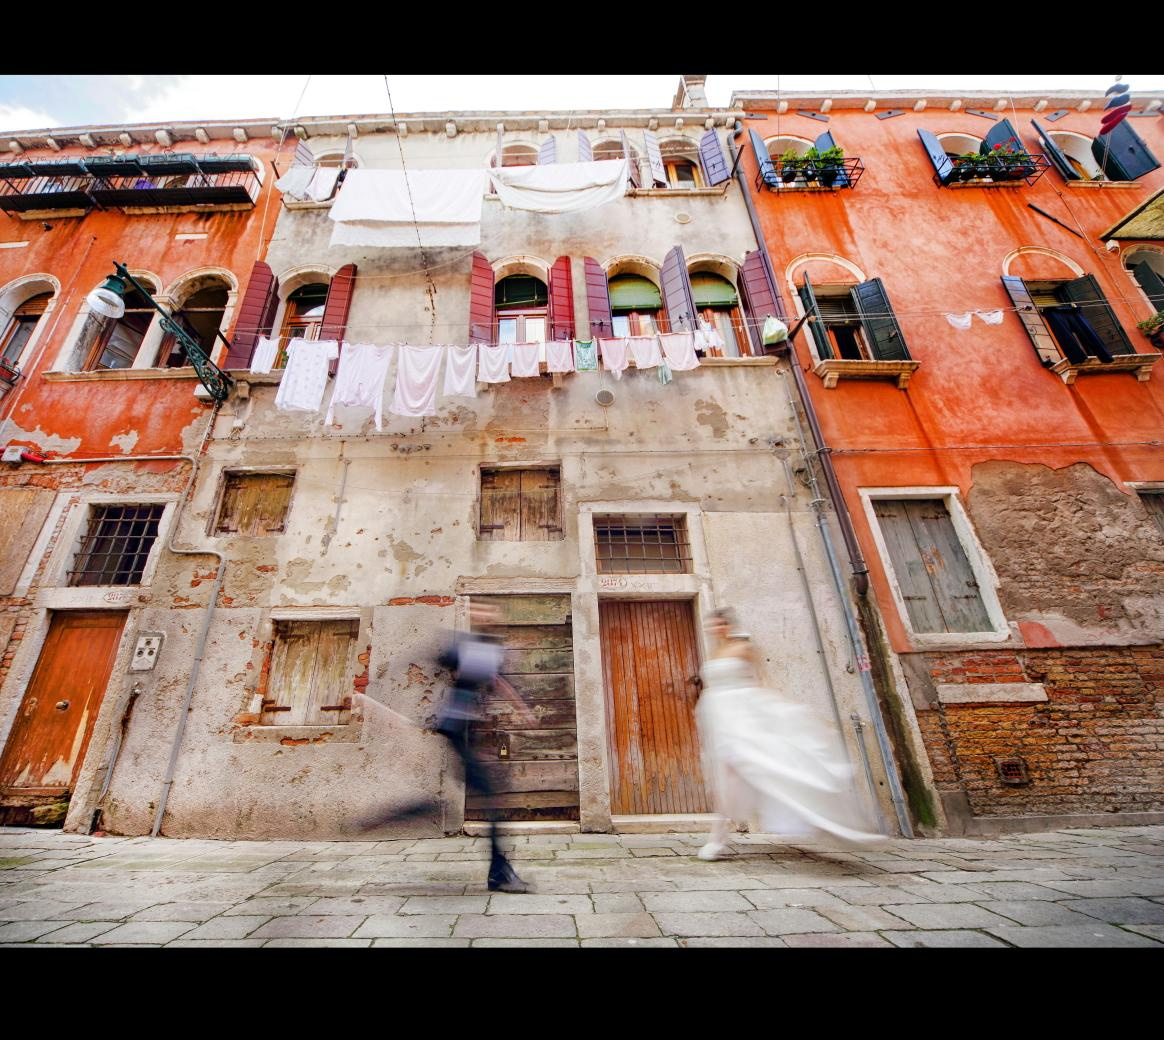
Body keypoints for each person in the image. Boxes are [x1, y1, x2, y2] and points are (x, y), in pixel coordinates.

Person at [694, 607, 882, 861]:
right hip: (722, 718)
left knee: (747, 773)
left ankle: (718, 839)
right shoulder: (715, 652)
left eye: (718, 624)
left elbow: (758, 681)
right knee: (729, 778)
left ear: (727, 625)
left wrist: (774, 714)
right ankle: (718, 838)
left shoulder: (744, 649)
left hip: (743, 719)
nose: (715, 629)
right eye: (712, 625)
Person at [433, 601, 537, 893]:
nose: (487, 616)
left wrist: (521, 708)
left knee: (490, 797)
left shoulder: (488, 648)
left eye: (490, 612)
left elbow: (496, 680)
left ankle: (499, 871)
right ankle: (499, 873)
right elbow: (441, 662)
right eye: (480, 612)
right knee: (490, 798)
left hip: (466, 731)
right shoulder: (467, 645)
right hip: (456, 729)